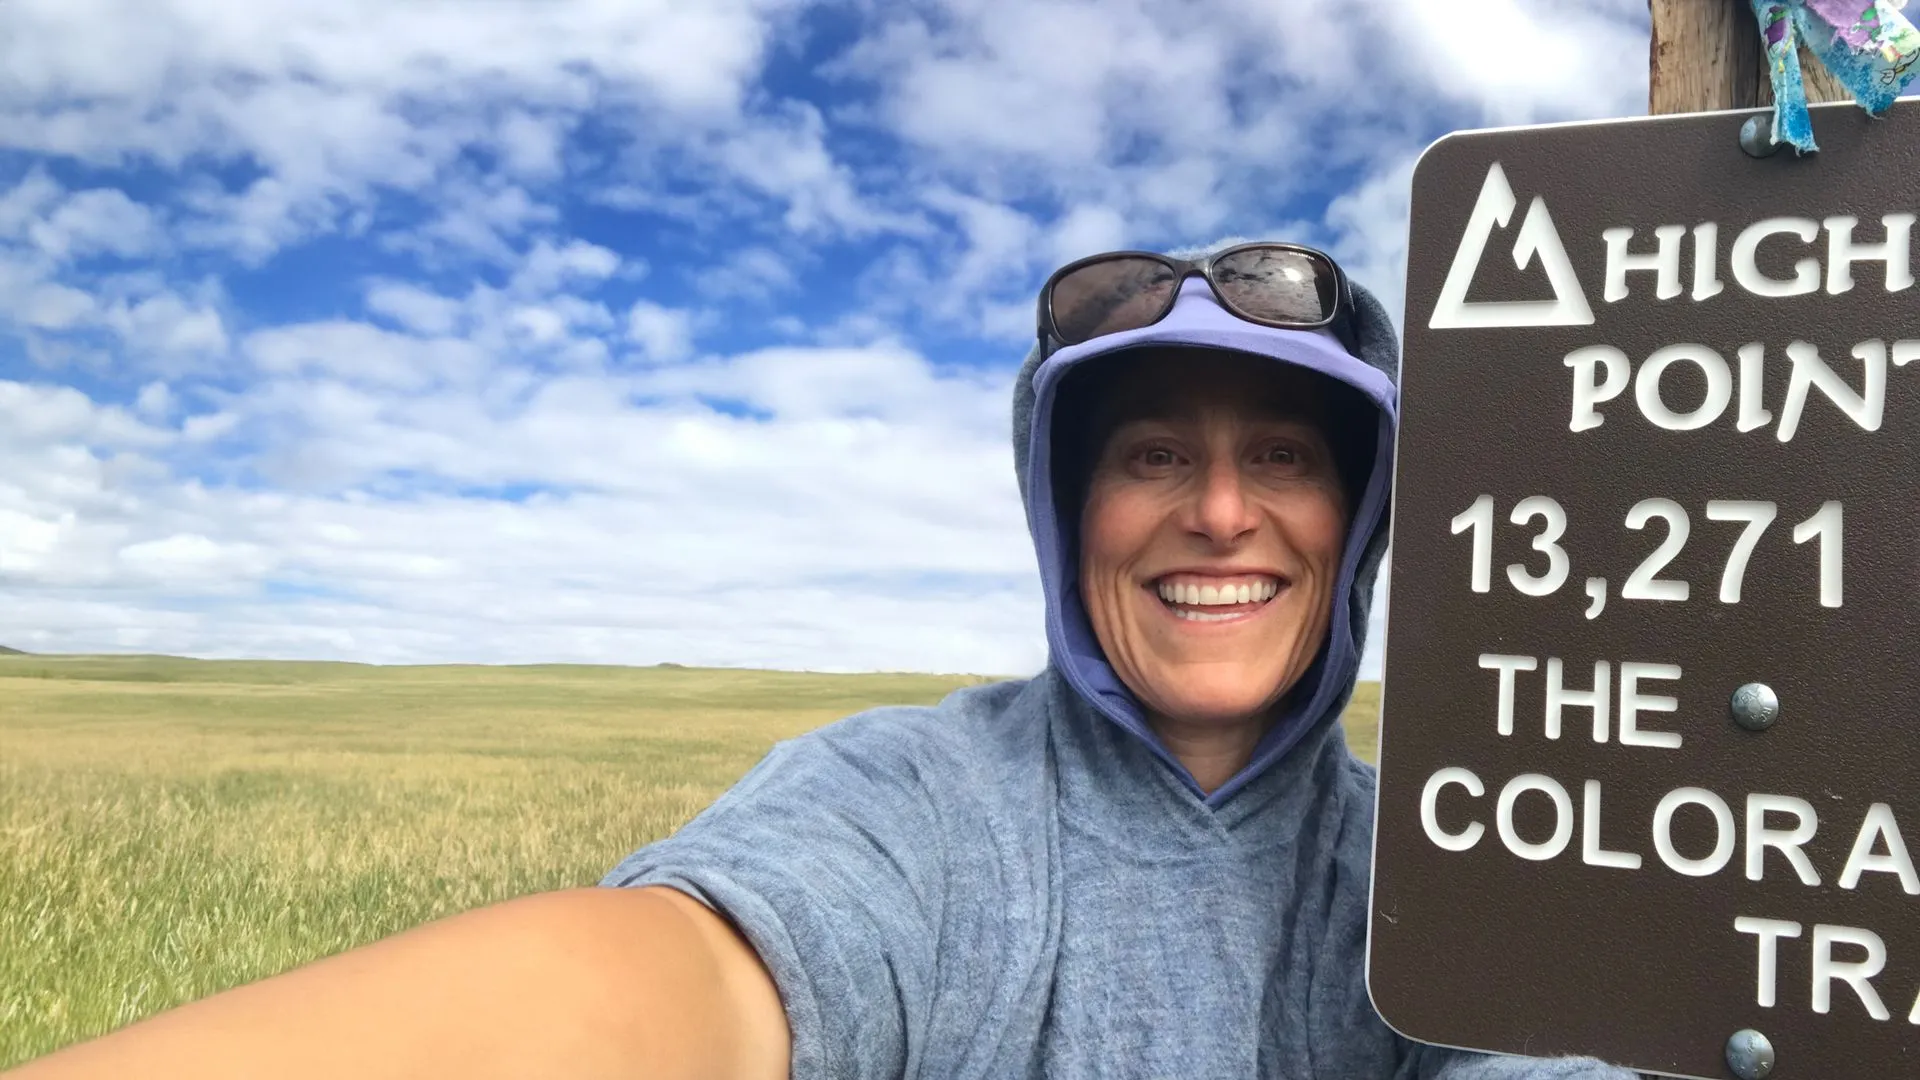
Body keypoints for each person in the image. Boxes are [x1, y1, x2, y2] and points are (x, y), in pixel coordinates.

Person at [3, 241, 1641, 1080]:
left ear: (1358, 527)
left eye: (1284, 458)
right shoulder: (912, 799)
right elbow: (691, 978)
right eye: (1148, 454)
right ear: (1067, 516)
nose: (1219, 512)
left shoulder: (1459, 843)